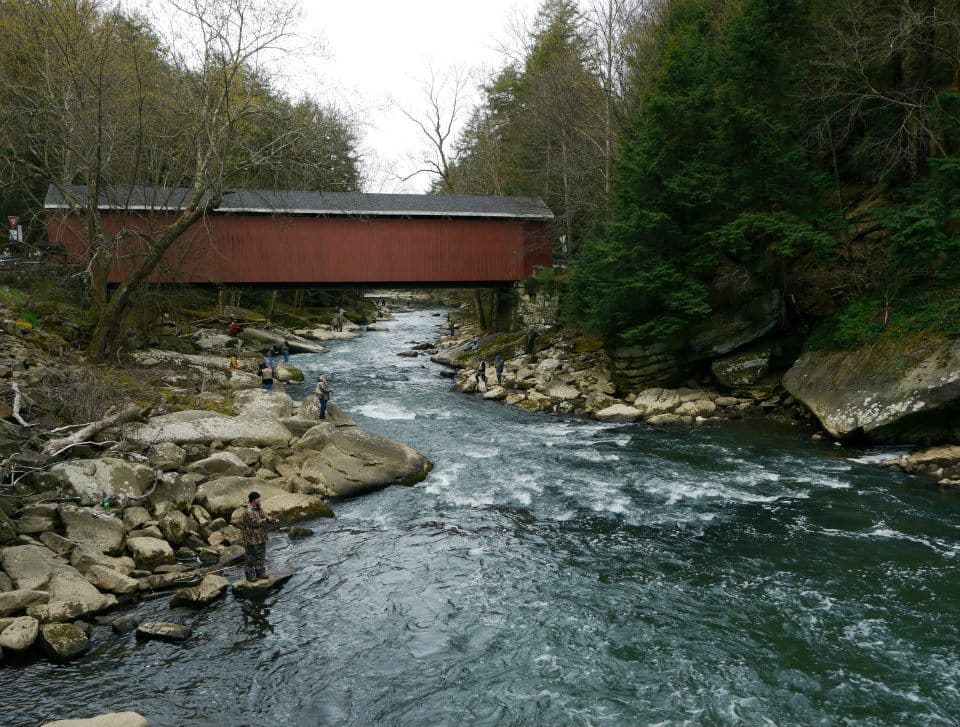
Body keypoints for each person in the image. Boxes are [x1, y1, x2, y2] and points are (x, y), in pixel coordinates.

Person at [238, 491, 278, 581]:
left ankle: (260, 573)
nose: (260, 500)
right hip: (251, 539)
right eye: (258, 498)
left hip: (261, 537)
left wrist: (271, 520)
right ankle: (250, 575)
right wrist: (266, 520)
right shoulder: (247, 511)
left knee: (261, 556)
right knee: (251, 557)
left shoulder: (259, 508)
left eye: (259, 498)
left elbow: (264, 517)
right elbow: (254, 523)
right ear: (253, 500)